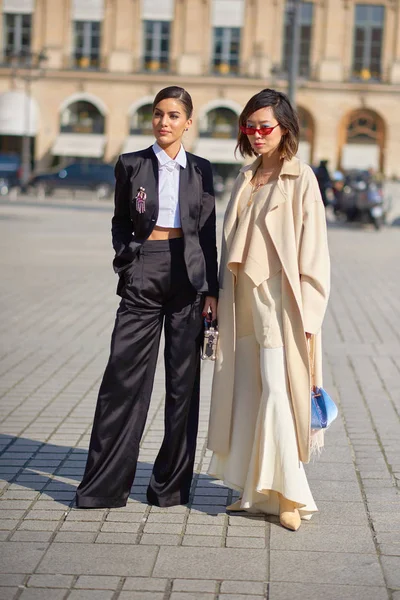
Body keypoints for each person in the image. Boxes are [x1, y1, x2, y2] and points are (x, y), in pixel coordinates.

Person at [76, 86, 218, 509]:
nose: (164, 122)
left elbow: (207, 233)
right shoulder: (131, 164)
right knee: (123, 380)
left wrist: (211, 289)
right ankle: (103, 487)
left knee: (183, 385)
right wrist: (128, 262)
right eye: (158, 114)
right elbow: (120, 221)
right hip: (144, 270)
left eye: (174, 116)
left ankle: (169, 487)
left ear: (188, 123)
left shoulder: (203, 170)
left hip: (188, 280)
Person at [207, 89, 330, 531]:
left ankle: (290, 496)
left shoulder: (302, 179)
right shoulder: (245, 177)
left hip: (282, 303)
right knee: (248, 393)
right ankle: (254, 493)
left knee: (280, 391)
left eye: (265, 127)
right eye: (250, 127)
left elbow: (314, 254)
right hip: (241, 300)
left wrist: (311, 318)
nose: (257, 135)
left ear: (285, 129)